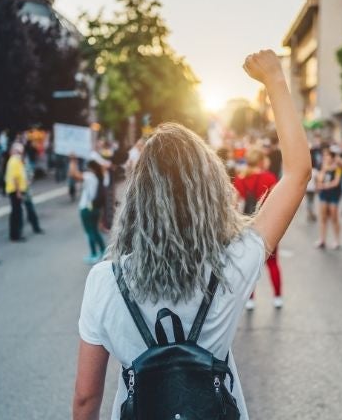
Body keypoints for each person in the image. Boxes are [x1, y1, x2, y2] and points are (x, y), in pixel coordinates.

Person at [72, 50, 311, 420]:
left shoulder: (105, 281)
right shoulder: (233, 262)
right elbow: (297, 174)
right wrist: (275, 81)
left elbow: (86, 399)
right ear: (211, 190)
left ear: (138, 196)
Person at [234, 148, 282, 310]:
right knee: (273, 263)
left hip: (247, 227)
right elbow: (277, 203)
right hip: (268, 225)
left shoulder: (240, 180)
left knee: (249, 264)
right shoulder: (269, 178)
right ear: (262, 161)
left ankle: (250, 300)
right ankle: (277, 297)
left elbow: (234, 206)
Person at [69, 157, 107, 264]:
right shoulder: (98, 177)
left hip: (86, 208)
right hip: (95, 208)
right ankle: (103, 251)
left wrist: (72, 161)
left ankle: (94, 254)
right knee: (95, 231)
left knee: (90, 232)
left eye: (88, 168)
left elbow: (74, 174)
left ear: (92, 169)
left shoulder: (90, 176)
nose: (86, 169)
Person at [316, 146, 342, 249]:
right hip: (324, 194)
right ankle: (322, 239)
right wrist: (324, 168)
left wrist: (323, 186)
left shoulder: (338, 168)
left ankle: (337, 240)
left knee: (334, 217)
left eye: (327, 155)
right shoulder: (323, 166)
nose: (325, 157)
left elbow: (336, 182)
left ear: (332, 156)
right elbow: (320, 179)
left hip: (334, 194)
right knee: (323, 217)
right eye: (324, 155)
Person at [5, 143, 28, 242]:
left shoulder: (16, 160)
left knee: (16, 212)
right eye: (18, 151)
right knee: (17, 213)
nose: (20, 154)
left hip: (15, 190)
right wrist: (18, 191)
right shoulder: (14, 161)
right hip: (15, 191)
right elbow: (15, 178)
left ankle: (16, 234)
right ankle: (15, 235)